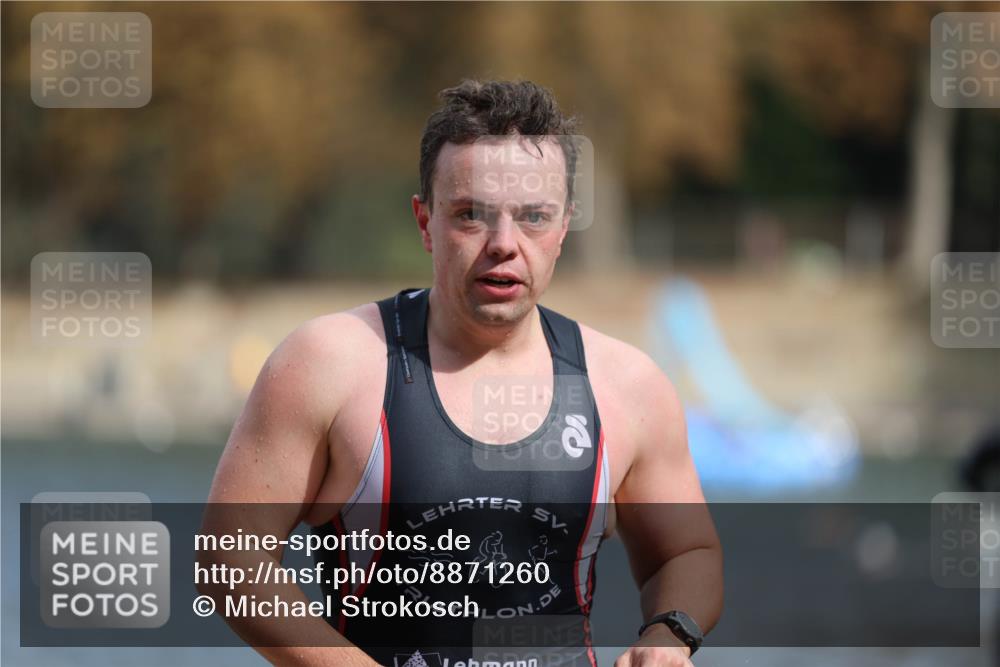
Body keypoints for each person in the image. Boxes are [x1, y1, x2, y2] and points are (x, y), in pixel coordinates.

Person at [202, 79, 722, 667]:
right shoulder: (330, 363)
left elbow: (688, 552)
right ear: (425, 222)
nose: (504, 244)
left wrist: (668, 637)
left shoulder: (628, 387)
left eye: (533, 218)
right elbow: (230, 560)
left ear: (563, 229)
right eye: (471, 215)